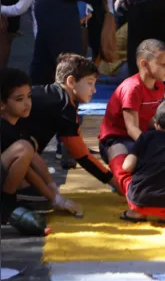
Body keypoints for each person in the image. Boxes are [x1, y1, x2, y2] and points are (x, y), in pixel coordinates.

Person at [20, 55, 115, 190]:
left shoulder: (54, 96)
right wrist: (117, 183)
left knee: (30, 149)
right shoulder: (64, 105)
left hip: (11, 149)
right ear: (71, 81)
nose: (94, 90)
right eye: (90, 83)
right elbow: (82, 156)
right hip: (9, 153)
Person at [0, 68, 82, 221]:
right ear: (2, 105)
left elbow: (33, 158)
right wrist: (54, 198)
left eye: (29, 97)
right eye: (19, 99)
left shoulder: (17, 122)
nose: (27, 103)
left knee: (28, 148)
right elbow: (28, 171)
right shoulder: (4, 127)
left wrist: (52, 188)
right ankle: (6, 202)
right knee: (24, 148)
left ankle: (10, 199)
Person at [98, 39, 165, 192]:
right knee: (126, 166)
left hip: (140, 135)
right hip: (116, 139)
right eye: (163, 64)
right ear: (144, 64)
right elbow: (131, 128)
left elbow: (147, 117)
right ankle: (123, 182)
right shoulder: (132, 89)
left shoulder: (159, 85)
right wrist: (153, 146)